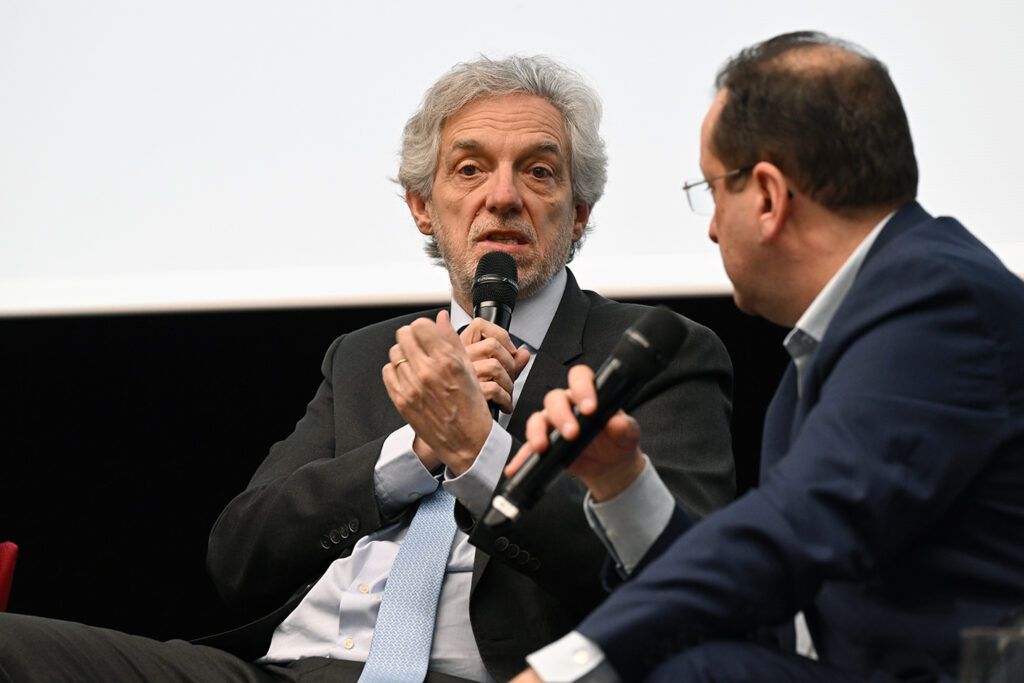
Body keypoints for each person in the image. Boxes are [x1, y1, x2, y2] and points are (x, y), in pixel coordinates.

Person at [0, 55, 736, 682]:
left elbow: (679, 577)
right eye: (470, 169)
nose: (503, 196)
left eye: (538, 172)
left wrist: (476, 450)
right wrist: (412, 451)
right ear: (423, 207)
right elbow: (239, 557)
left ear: (577, 214)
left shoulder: (651, 350)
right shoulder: (366, 355)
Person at [507, 31, 1024, 683]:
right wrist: (618, 479)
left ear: (770, 197)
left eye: (713, 190)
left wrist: (561, 671)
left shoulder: (939, 305)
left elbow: (793, 531)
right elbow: (768, 608)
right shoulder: (828, 349)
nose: (711, 227)